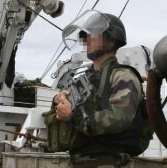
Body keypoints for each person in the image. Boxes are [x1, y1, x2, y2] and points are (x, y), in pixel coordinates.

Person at [44, 10, 152, 164]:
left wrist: (72, 115)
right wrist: (59, 101)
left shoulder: (123, 76)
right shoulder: (87, 78)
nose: (86, 41)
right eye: (84, 36)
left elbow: (119, 118)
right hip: (78, 161)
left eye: (93, 35)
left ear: (111, 40)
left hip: (108, 161)